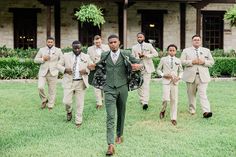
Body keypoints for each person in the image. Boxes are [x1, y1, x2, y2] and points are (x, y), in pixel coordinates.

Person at [88, 35, 143, 156]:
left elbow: (139, 63)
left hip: (123, 88)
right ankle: (110, 145)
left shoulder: (126, 53)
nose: (113, 44)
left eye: (115, 42)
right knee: (110, 116)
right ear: (108, 44)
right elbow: (98, 66)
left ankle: (119, 134)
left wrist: (139, 66)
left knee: (121, 112)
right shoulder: (104, 55)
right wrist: (91, 67)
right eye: (110, 43)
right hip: (109, 89)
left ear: (119, 43)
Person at [57, 40, 92, 127]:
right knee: (66, 102)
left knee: (80, 103)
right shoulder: (66, 55)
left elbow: (92, 67)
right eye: (75, 48)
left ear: (81, 48)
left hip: (80, 82)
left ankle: (78, 121)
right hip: (69, 82)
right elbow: (58, 65)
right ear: (72, 47)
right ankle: (69, 111)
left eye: (78, 48)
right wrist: (65, 69)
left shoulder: (86, 57)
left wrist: (86, 70)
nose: (77, 50)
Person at [180, 34, 214, 118]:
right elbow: (181, 61)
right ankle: (192, 109)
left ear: (200, 41)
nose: (196, 41)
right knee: (191, 94)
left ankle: (206, 111)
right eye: (195, 40)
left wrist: (204, 62)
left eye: (198, 40)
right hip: (190, 76)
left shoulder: (206, 50)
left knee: (203, 94)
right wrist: (192, 62)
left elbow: (212, 62)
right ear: (192, 41)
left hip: (203, 76)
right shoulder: (186, 51)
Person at [157, 44, 183, 125]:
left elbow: (181, 71)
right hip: (166, 81)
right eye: (170, 50)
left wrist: (179, 77)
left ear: (176, 51)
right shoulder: (163, 59)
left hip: (174, 82)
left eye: (173, 50)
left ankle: (173, 118)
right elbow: (158, 69)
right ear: (168, 51)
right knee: (165, 98)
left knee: (174, 100)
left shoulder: (178, 60)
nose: (172, 52)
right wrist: (163, 75)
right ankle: (163, 110)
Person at [34, 37, 63, 110]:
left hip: (53, 72)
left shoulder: (58, 50)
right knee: (40, 87)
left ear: (53, 43)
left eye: (51, 42)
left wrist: (57, 66)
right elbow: (35, 60)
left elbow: (62, 60)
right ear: (46, 42)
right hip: (43, 72)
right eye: (48, 42)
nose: (50, 43)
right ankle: (44, 100)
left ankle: (50, 105)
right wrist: (43, 59)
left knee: (52, 90)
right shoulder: (41, 50)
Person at [132, 32, 158, 110]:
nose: (139, 38)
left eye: (141, 37)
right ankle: (141, 99)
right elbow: (133, 58)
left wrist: (146, 55)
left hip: (147, 67)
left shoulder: (149, 45)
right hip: (138, 68)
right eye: (138, 37)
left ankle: (145, 102)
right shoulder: (134, 47)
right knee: (139, 85)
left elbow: (155, 54)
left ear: (144, 38)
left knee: (146, 85)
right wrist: (139, 57)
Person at [87, 35, 110, 109]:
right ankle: (99, 103)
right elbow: (88, 58)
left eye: (99, 42)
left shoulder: (107, 47)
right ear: (94, 41)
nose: (98, 43)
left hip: (105, 68)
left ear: (101, 41)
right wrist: (91, 64)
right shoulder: (90, 49)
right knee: (96, 85)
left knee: (104, 85)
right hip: (95, 69)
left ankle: (103, 99)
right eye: (96, 42)